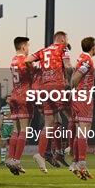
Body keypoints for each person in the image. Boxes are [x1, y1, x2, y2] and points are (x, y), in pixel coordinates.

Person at [25, 31, 72, 173]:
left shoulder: (44, 50)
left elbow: (27, 60)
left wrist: (35, 72)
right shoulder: (63, 48)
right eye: (66, 40)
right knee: (73, 116)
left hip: (44, 89)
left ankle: (41, 154)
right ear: (63, 39)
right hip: (57, 86)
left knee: (49, 123)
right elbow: (69, 66)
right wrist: (69, 82)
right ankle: (69, 148)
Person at [5, 36, 34, 175]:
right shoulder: (25, 61)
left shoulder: (13, 60)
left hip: (14, 95)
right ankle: (16, 159)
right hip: (24, 96)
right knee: (24, 129)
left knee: (16, 130)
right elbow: (34, 75)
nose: (29, 49)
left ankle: (11, 159)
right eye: (28, 46)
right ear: (23, 47)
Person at [70, 37, 95, 180]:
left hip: (78, 97)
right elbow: (74, 79)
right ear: (92, 47)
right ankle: (81, 164)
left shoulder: (81, 57)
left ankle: (75, 163)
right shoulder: (87, 60)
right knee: (83, 131)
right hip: (83, 98)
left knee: (79, 131)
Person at [0, 95, 14, 166]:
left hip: (13, 127)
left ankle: (12, 159)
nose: (9, 100)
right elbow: (1, 119)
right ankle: (2, 160)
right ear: (6, 100)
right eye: (8, 99)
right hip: (5, 128)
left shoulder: (15, 108)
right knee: (4, 143)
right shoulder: (3, 108)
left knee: (13, 144)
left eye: (10, 99)